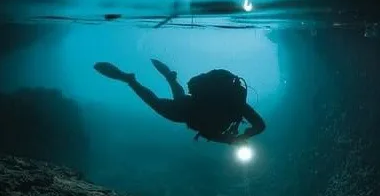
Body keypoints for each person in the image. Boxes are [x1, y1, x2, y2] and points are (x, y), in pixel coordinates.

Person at [94, 58, 265, 145]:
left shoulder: (234, 103)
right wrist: (238, 138)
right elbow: (259, 125)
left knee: (180, 100)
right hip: (188, 112)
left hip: (189, 107)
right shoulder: (238, 105)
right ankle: (130, 80)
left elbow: (259, 125)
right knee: (155, 103)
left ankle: (170, 78)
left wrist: (242, 136)